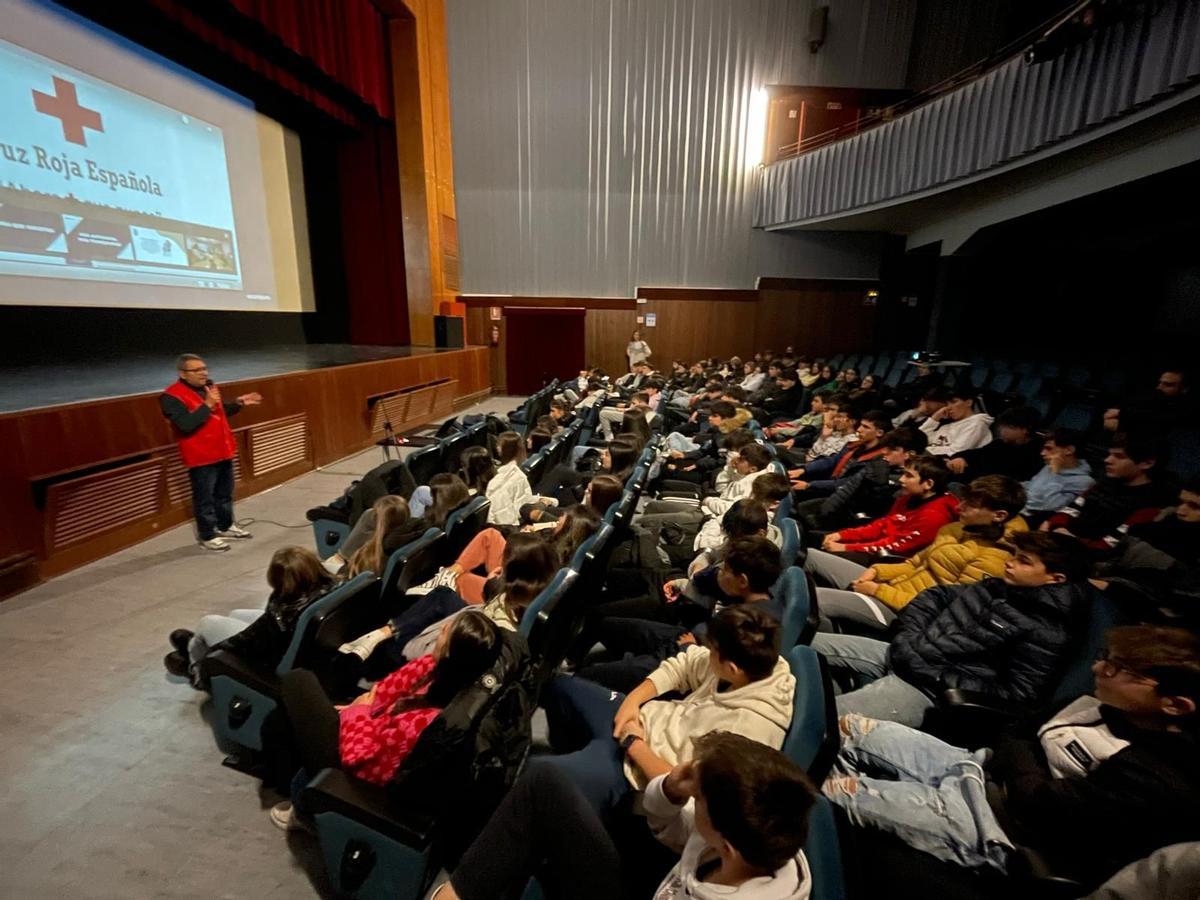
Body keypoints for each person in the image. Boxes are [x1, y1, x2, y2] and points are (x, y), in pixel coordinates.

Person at [823, 625, 1200, 888]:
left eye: (1117, 668)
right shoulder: (1096, 704)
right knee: (846, 728)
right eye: (1105, 657)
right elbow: (1015, 734)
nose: (1097, 668)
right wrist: (1024, 761)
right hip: (976, 765)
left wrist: (1021, 758)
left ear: (1175, 705)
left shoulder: (1163, 777)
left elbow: (1040, 807)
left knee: (827, 793)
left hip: (996, 826)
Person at [431, 731, 817, 900]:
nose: (693, 800)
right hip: (656, 887)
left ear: (727, 847)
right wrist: (673, 787)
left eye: (698, 800)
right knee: (545, 782)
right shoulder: (756, 837)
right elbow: (669, 826)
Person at [810, 531, 1091, 727]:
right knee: (799, 641)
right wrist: (911, 638)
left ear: (1056, 578)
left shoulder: (1049, 630)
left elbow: (1020, 695)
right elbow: (934, 597)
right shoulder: (998, 586)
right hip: (907, 651)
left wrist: (936, 674)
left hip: (927, 688)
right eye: (1015, 555)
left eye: (1023, 561)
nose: (1010, 562)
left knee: (812, 717)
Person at [539, 605, 795, 814]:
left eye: (713, 652)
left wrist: (634, 743)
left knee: (539, 778)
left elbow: (691, 798)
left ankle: (588, 804)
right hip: (638, 720)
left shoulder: (747, 734)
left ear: (731, 668)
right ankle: (578, 776)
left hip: (633, 772)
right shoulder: (761, 664)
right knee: (558, 686)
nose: (707, 654)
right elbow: (685, 663)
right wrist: (633, 701)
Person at [270, 610, 503, 830]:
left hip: (358, 769)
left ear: (451, 651)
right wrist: (360, 706)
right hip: (365, 728)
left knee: (297, 681)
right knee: (305, 696)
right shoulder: (436, 668)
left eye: (444, 632)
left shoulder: (425, 722)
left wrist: (357, 713)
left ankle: (304, 811)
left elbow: (360, 762)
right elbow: (384, 690)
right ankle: (296, 787)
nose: (440, 630)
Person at [813, 475, 1028, 633]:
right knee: (811, 556)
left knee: (814, 601)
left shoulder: (997, 559)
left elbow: (947, 608)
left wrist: (878, 590)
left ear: (999, 515)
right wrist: (876, 571)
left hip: (905, 613)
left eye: (970, 505)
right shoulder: (957, 528)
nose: (959, 507)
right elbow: (914, 563)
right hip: (892, 585)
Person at [163, 546, 336, 684]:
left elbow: (242, 641)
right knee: (235, 613)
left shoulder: (282, 611)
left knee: (207, 623)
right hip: (302, 645)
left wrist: (211, 655)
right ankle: (195, 647)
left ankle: (196, 671)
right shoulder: (329, 585)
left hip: (273, 657)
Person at [160, 353, 262, 551]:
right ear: (182, 373)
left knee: (224, 493)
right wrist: (207, 403)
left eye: (204, 368)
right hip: (201, 456)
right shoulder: (170, 397)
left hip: (223, 449)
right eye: (196, 370)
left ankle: (225, 525)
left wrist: (238, 403)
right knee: (204, 497)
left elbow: (219, 412)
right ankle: (207, 535)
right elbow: (185, 425)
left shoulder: (209, 387)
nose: (203, 373)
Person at [1042, 432, 1175, 557]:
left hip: (1084, 556)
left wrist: (1068, 540)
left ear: (1147, 463)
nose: (1107, 460)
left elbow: (1113, 544)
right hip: (1060, 541)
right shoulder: (1105, 483)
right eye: (1109, 454)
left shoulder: (1152, 503)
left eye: (1119, 456)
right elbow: (1071, 509)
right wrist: (1058, 527)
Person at [809, 455, 958, 560]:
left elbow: (894, 547)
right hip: (875, 546)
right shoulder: (907, 497)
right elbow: (882, 525)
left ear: (928, 484)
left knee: (812, 554)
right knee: (812, 537)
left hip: (885, 558)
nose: (901, 479)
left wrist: (846, 548)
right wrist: (842, 535)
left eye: (909, 476)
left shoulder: (935, 516)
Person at [945, 405, 1043, 481]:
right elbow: (977, 453)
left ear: (1024, 430)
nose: (1001, 430)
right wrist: (961, 458)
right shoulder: (1000, 444)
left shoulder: (1037, 454)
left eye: (1007, 427)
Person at [1022, 427, 1095, 526]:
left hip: (1035, 521)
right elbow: (1031, 486)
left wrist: (1054, 474)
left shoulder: (1084, 482)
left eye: (1049, 448)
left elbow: (1050, 506)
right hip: (1020, 509)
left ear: (1069, 450)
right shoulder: (1048, 467)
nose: (1042, 453)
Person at [919, 386, 994, 456]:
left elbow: (957, 452)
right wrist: (935, 418)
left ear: (968, 402)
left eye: (954, 402)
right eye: (947, 404)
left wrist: (924, 451)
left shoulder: (977, 423)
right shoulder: (946, 426)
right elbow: (918, 439)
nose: (949, 407)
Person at [487, 431, 536, 526]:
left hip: (510, 526)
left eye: (499, 445)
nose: (497, 448)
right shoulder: (517, 473)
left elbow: (503, 517)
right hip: (518, 520)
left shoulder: (499, 482)